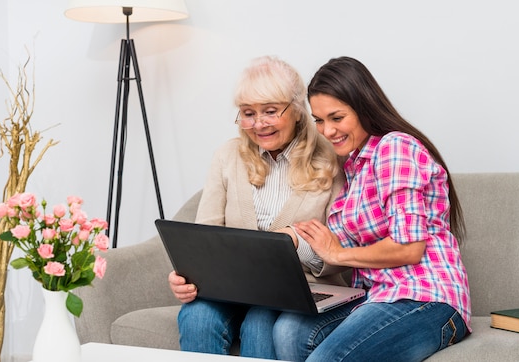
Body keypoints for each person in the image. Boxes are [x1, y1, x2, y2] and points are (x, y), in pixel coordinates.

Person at [273, 56, 471, 362]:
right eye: (319, 119)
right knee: (289, 329)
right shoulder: (353, 168)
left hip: (426, 297)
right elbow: (333, 246)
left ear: (364, 107)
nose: (327, 130)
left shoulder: (395, 148)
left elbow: (408, 249)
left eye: (337, 118)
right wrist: (292, 239)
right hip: (377, 296)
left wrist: (338, 254)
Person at [168, 56, 355, 359]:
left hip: (301, 289)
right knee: (197, 315)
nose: (258, 124)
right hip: (231, 287)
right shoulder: (228, 156)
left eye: (270, 111)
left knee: (260, 320)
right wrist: (185, 275)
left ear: (296, 110)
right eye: (248, 113)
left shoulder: (331, 159)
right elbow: (203, 237)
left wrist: (293, 241)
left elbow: (342, 255)